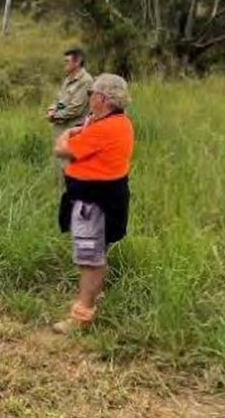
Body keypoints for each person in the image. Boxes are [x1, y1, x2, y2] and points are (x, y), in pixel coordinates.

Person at [52, 74, 135, 334]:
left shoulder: (104, 129)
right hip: (106, 200)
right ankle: (91, 299)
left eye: (91, 94)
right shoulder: (121, 123)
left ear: (102, 98)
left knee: (90, 259)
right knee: (97, 254)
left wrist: (67, 132)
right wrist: (85, 128)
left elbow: (61, 150)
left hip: (92, 204)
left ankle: (82, 315)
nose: (89, 98)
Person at [46, 48, 94, 139]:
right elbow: (59, 100)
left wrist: (55, 115)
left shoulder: (85, 81)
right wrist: (51, 109)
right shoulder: (68, 79)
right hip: (61, 129)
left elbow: (76, 108)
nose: (65, 64)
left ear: (77, 62)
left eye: (67, 61)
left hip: (74, 130)